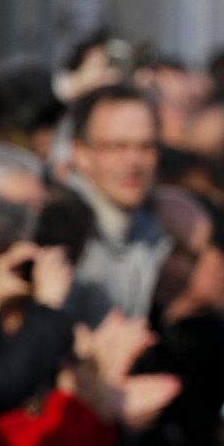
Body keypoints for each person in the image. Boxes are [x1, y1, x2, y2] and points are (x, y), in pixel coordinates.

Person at [64, 83, 170, 324]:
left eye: (146, 147)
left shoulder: (156, 229)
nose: (134, 161)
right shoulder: (60, 230)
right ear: (81, 153)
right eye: (117, 147)